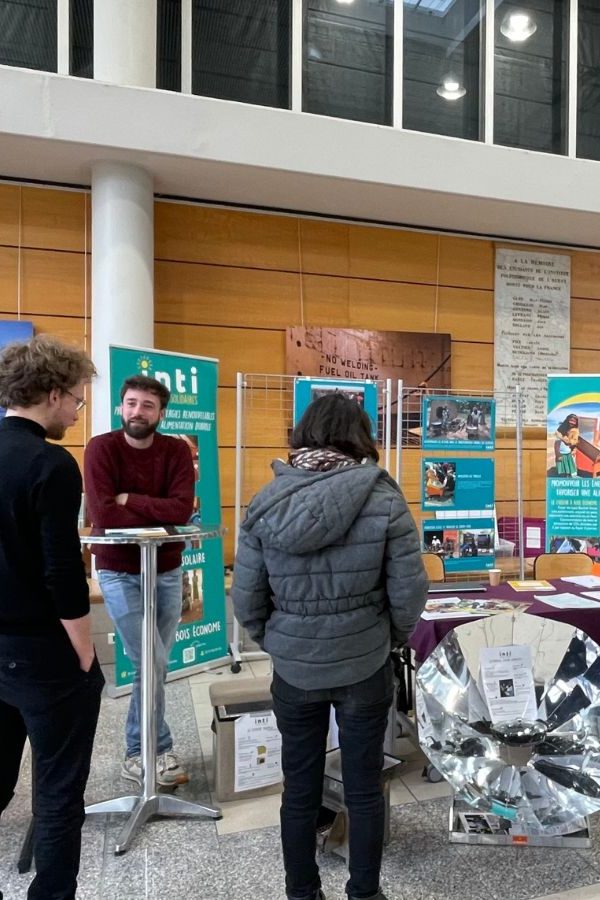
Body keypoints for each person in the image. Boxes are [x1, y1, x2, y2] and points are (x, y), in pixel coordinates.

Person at [232, 393, 428, 900]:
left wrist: (278, 640)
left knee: (298, 789)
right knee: (364, 790)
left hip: (294, 669)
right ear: (360, 436)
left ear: (303, 435)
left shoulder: (265, 501)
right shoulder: (383, 498)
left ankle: (302, 892)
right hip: (364, 662)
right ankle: (364, 893)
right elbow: (409, 589)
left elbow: (247, 598)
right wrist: (389, 639)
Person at [0, 335, 103, 900]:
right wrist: (85, 652)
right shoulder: (51, 464)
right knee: (60, 791)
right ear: (55, 393)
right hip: (41, 651)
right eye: (78, 400)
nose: (76, 411)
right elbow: (61, 574)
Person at [84, 375, 194, 787]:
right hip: (118, 570)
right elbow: (105, 515)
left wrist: (131, 499)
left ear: (160, 413)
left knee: (153, 664)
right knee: (150, 660)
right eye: (131, 403)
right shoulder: (101, 448)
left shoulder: (176, 451)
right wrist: (153, 509)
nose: (137, 412)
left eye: (147, 405)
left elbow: (182, 511)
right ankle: (152, 750)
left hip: (165, 569)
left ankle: (138, 748)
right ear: (120, 407)